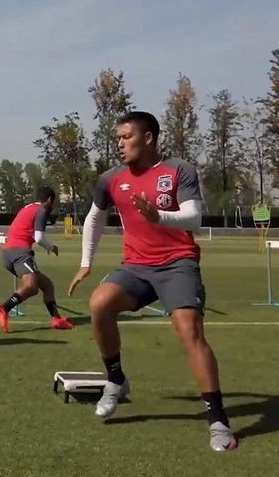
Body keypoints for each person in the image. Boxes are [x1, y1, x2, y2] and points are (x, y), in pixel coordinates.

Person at [67, 110, 238, 452]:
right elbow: (94, 218)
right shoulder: (111, 178)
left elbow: (194, 216)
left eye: (126, 137)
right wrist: (86, 263)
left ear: (148, 138)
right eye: (118, 138)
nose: (120, 143)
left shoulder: (179, 170)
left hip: (178, 263)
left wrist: (158, 215)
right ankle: (116, 381)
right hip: (136, 266)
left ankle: (218, 421)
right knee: (99, 304)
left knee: (189, 332)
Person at [0, 187, 74, 333]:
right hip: (20, 253)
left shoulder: (30, 207)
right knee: (31, 287)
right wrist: (52, 247)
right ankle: (4, 307)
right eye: (53, 202)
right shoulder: (42, 210)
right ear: (49, 199)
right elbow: (39, 238)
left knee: (47, 285)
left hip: (9, 253)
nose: (52, 206)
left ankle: (57, 319)